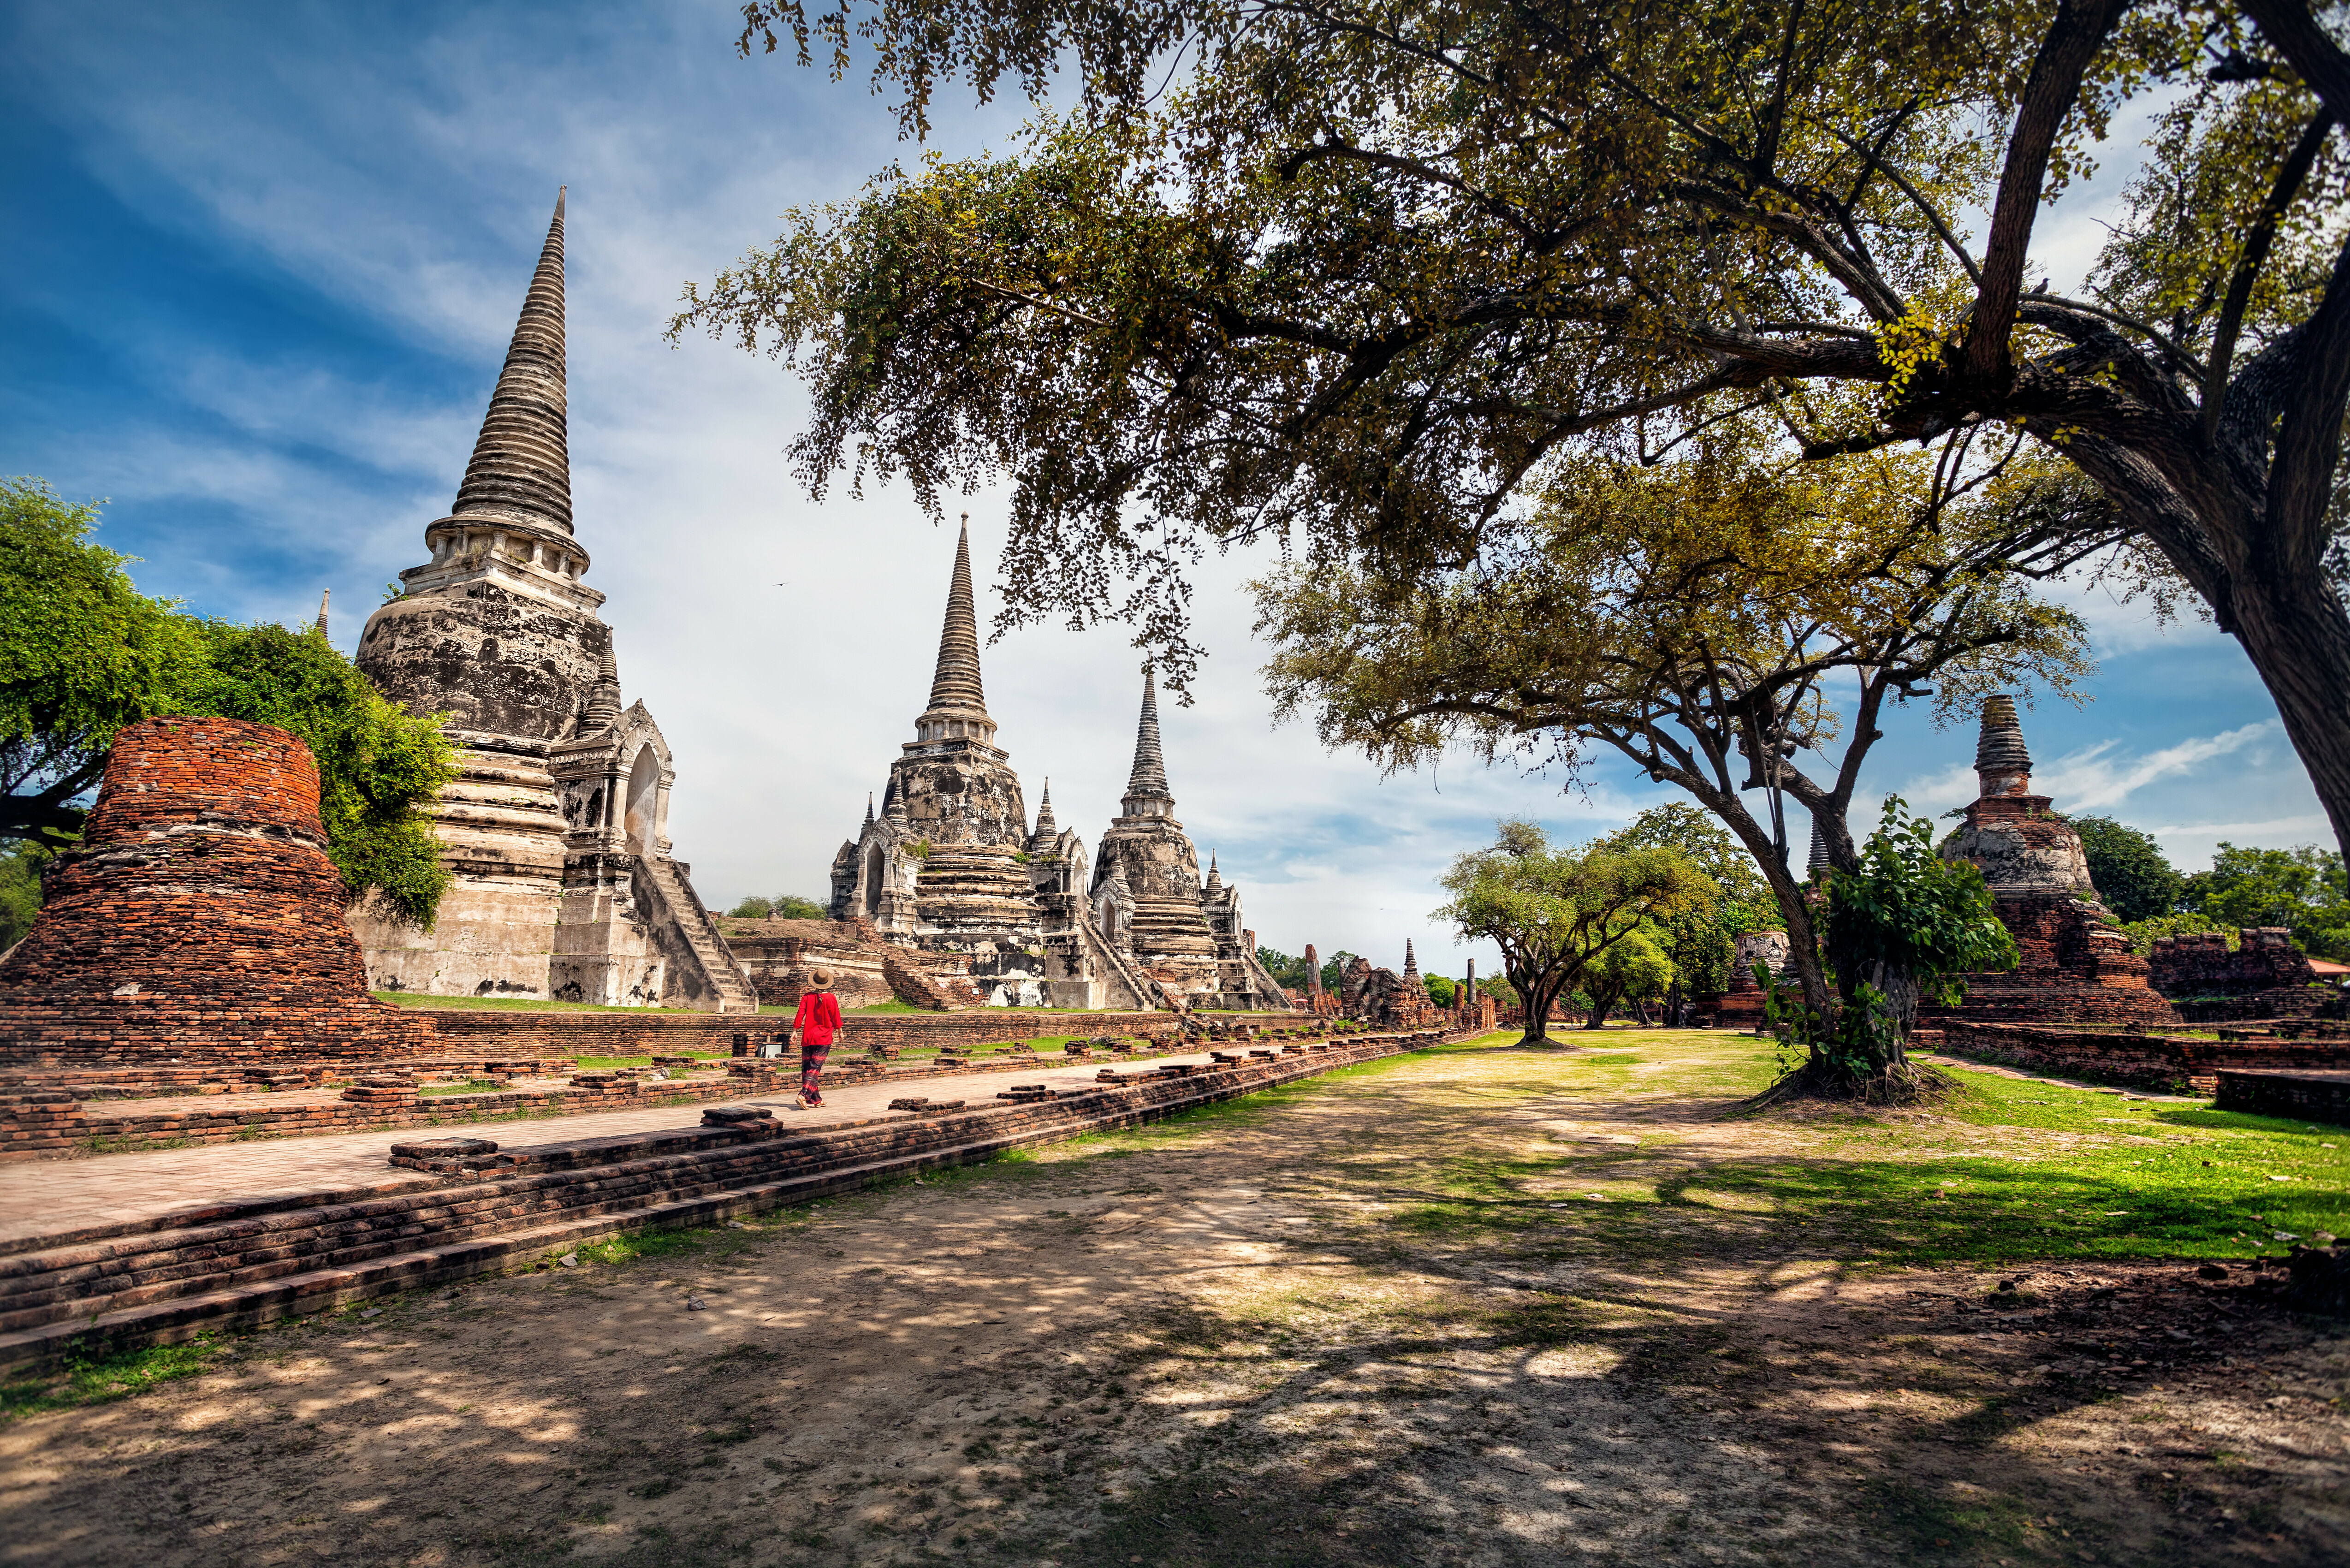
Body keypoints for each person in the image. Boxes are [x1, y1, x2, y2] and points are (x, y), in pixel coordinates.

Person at [790, 969, 843, 1108]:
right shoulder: (831, 998)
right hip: (824, 1038)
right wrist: (840, 1032)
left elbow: (800, 1014)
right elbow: (836, 1017)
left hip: (808, 1036)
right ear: (827, 983)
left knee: (808, 1068)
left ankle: (816, 1100)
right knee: (814, 1069)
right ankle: (803, 1095)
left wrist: (795, 1031)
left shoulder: (807, 997)